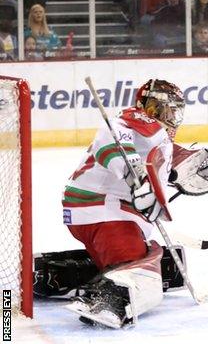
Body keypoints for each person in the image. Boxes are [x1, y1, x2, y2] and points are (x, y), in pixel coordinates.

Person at [63, 79, 185, 327]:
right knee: (140, 270)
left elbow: (160, 160)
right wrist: (135, 175)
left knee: (143, 256)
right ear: (144, 106)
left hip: (103, 213)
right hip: (103, 212)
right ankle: (109, 298)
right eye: (160, 108)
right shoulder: (135, 119)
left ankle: (65, 272)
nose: (166, 116)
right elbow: (110, 141)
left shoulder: (156, 135)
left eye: (173, 110)